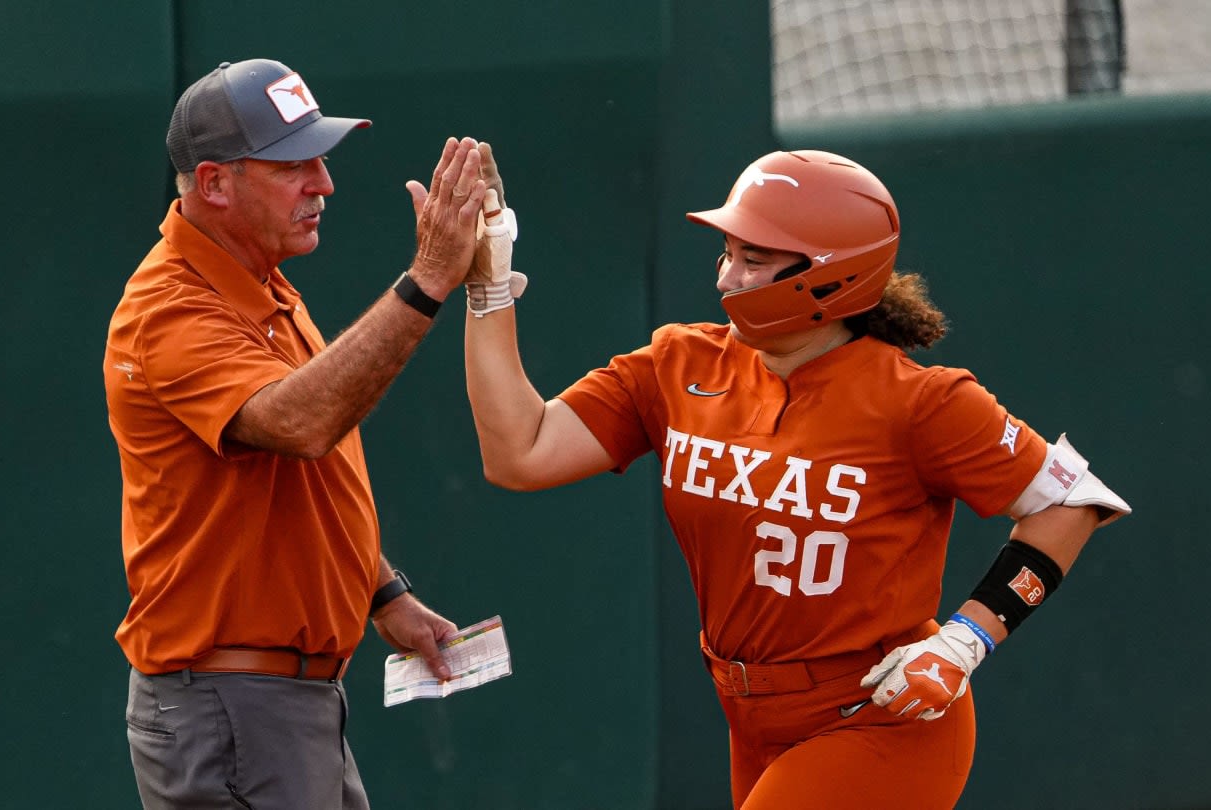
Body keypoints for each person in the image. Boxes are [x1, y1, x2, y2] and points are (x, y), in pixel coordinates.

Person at [459, 148, 1131, 809]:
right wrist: (489, 287)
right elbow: (522, 452)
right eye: (729, 252)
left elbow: (1074, 502)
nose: (728, 277)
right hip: (749, 718)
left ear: (833, 276)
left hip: (881, 717)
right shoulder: (677, 364)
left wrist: (966, 640)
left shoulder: (920, 401)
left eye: (755, 259)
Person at [104, 58, 493, 809]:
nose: (324, 183)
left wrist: (384, 595)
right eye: (293, 165)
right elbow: (302, 423)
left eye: (321, 157)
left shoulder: (263, 281)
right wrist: (429, 278)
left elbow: (299, 478)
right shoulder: (167, 310)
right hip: (229, 708)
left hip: (282, 705)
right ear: (214, 183)